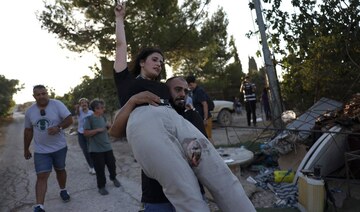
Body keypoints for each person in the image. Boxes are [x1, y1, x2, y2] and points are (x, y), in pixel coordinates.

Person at [111, 3, 255, 212]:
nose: (159, 63)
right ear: (141, 62)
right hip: (146, 121)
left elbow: (179, 103)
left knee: (221, 175)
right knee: (185, 190)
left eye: (161, 61)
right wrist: (119, 19)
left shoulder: (163, 88)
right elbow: (120, 46)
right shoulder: (127, 82)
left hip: (172, 119)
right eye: (154, 59)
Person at [24, 85, 73, 212]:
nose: (41, 96)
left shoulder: (57, 104)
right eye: (38, 94)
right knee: (41, 176)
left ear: (47, 93)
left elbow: (69, 119)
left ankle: (63, 189)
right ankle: (39, 206)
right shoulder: (30, 111)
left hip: (59, 147)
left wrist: (59, 127)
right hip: (41, 151)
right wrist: (26, 149)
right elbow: (28, 130)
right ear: (34, 96)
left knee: (60, 169)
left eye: (43, 93)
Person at [83, 99, 121, 195]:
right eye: (101, 108)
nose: (103, 109)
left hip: (107, 147)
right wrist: (98, 130)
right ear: (96, 109)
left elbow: (108, 128)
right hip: (95, 150)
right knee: (100, 169)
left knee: (112, 165)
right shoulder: (89, 119)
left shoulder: (103, 117)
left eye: (103, 107)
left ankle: (113, 178)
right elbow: (86, 133)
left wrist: (109, 126)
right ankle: (101, 186)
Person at [75, 97, 95, 174]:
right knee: (85, 151)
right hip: (81, 134)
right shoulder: (79, 112)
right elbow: (76, 110)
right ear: (80, 105)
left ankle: (94, 165)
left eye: (85, 102)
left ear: (87, 104)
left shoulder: (91, 113)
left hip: (90, 134)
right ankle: (91, 166)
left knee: (92, 150)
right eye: (82, 103)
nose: (83, 104)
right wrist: (77, 107)